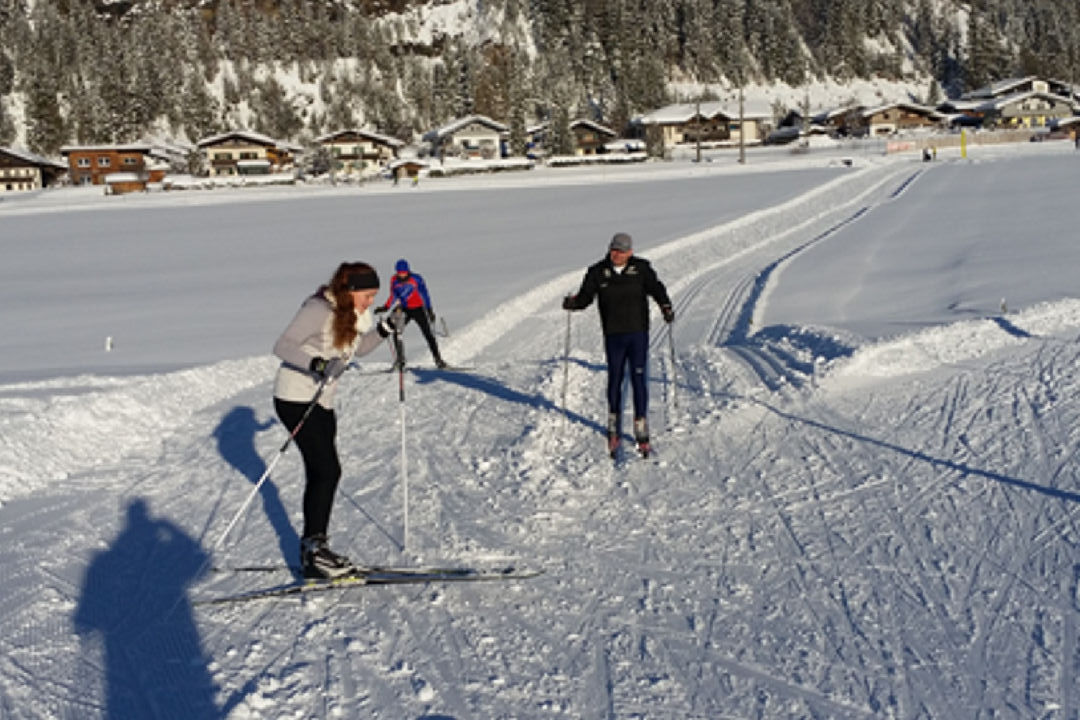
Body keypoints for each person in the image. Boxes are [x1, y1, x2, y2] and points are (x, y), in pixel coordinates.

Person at [272, 261, 399, 579]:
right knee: (327, 470)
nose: (370, 302)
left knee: (322, 471)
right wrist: (316, 364)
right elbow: (283, 346)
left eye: (373, 296)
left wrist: (385, 328)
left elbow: (358, 349)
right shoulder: (318, 309)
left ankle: (314, 549)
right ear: (350, 290)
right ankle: (315, 552)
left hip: (321, 401)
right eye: (367, 295)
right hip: (295, 398)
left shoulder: (351, 314)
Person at [563, 232, 674, 458]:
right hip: (613, 333)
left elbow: (656, 288)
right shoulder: (597, 272)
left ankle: (641, 425)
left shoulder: (641, 268)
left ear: (629, 252)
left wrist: (665, 306)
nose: (617, 255)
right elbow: (585, 298)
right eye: (614, 250)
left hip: (637, 332)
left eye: (622, 251)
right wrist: (573, 303)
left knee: (638, 377)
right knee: (615, 377)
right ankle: (613, 423)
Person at [376, 258, 448, 369]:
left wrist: (429, 310)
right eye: (400, 272)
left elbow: (425, 294)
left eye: (404, 272)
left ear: (408, 270)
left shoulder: (416, 279)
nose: (402, 275)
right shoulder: (394, 280)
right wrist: (385, 307)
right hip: (404, 309)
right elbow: (393, 295)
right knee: (397, 332)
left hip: (419, 309)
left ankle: (438, 360)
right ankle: (400, 360)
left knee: (428, 334)